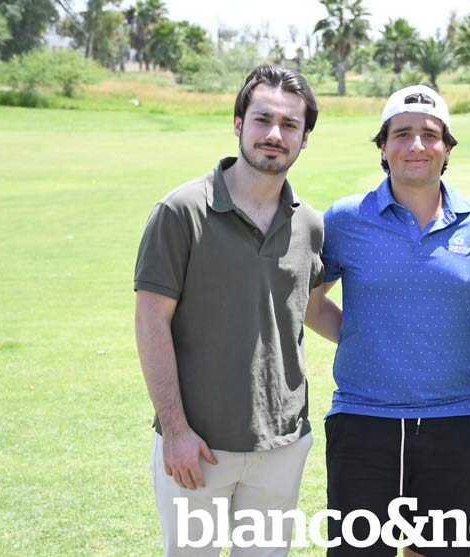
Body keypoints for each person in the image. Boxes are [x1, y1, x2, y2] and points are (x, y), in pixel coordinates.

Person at [134, 64, 340, 557]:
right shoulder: (181, 212)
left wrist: (386, 338)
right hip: (198, 446)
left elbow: (311, 310)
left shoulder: (310, 225)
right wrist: (176, 431)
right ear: (238, 123)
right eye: (262, 119)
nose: (275, 134)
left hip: (282, 446)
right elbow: (151, 320)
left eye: (289, 124)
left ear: (305, 138)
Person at [320, 85, 470, 557]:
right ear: (383, 147)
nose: (416, 145)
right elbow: (308, 302)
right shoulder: (344, 219)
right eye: (402, 133)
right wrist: (365, 335)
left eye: (430, 134)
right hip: (362, 420)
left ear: (447, 148)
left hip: (453, 424)